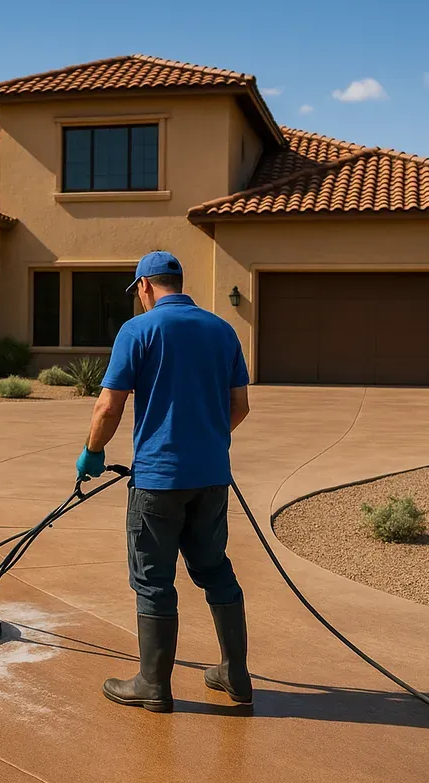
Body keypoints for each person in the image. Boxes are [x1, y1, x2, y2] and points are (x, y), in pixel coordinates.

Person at [76, 250, 252, 713]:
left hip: (159, 480)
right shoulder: (222, 330)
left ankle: (153, 685)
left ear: (145, 287)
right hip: (212, 478)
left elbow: (108, 406)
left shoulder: (139, 329)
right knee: (215, 570)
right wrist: (205, 441)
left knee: (154, 580)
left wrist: (92, 454)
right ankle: (235, 674)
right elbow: (240, 406)